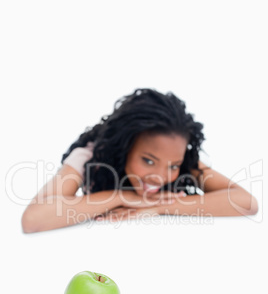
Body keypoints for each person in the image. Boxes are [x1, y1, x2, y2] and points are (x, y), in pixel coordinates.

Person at [21, 88, 258, 233]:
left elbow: (245, 202)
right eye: (148, 160)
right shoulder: (89, 155)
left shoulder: (182, 160)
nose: (160, 176)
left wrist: (158, 206)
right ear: (125, 145)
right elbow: (33, 220)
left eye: (173, 166)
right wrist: (123, 196)